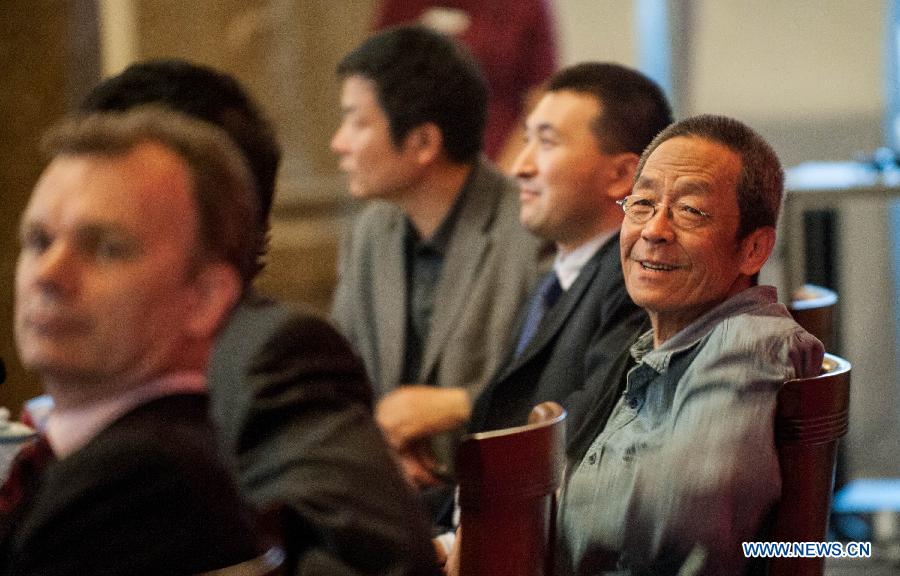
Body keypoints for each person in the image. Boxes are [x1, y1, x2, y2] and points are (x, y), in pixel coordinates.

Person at [80, 59, 441, 575]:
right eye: (41, 237)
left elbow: (377, 561)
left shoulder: (270, 357)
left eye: (98, 231)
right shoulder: (111, 375)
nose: (51, 271)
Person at [556, 115, 825, 575]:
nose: (653, 230)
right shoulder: (665, 345)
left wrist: (522, 512)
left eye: (690, 211)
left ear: (753, 250)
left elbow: (684, 502)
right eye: (641, 203)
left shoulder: (749, 342)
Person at [4, 107, 263, 575]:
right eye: (40, 241)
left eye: (105, 247)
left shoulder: (138, 479)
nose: (48, 274)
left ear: (204, 299)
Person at [330, 26, 544, 493]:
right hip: (391, 496)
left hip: (494, 502)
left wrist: (458, 404)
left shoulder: (533, 230)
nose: (339, 143)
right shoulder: (371, 232)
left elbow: (559, 390)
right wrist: (382, 449)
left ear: (424, 142)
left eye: (357, 123)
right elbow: (339, 379)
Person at [468, 62, 671, 435]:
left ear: (622, 176)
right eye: (526, 139)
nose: (519, 167)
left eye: (546, 142)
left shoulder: (635, 285)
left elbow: (572, 445)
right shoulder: (553, 281)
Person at [372, 0, 557, 164]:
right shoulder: (401, 5)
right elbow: (374, 80)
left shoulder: (524, 6)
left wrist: (511, 167)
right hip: (411, 157)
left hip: (495, 157)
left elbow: (543, 97)